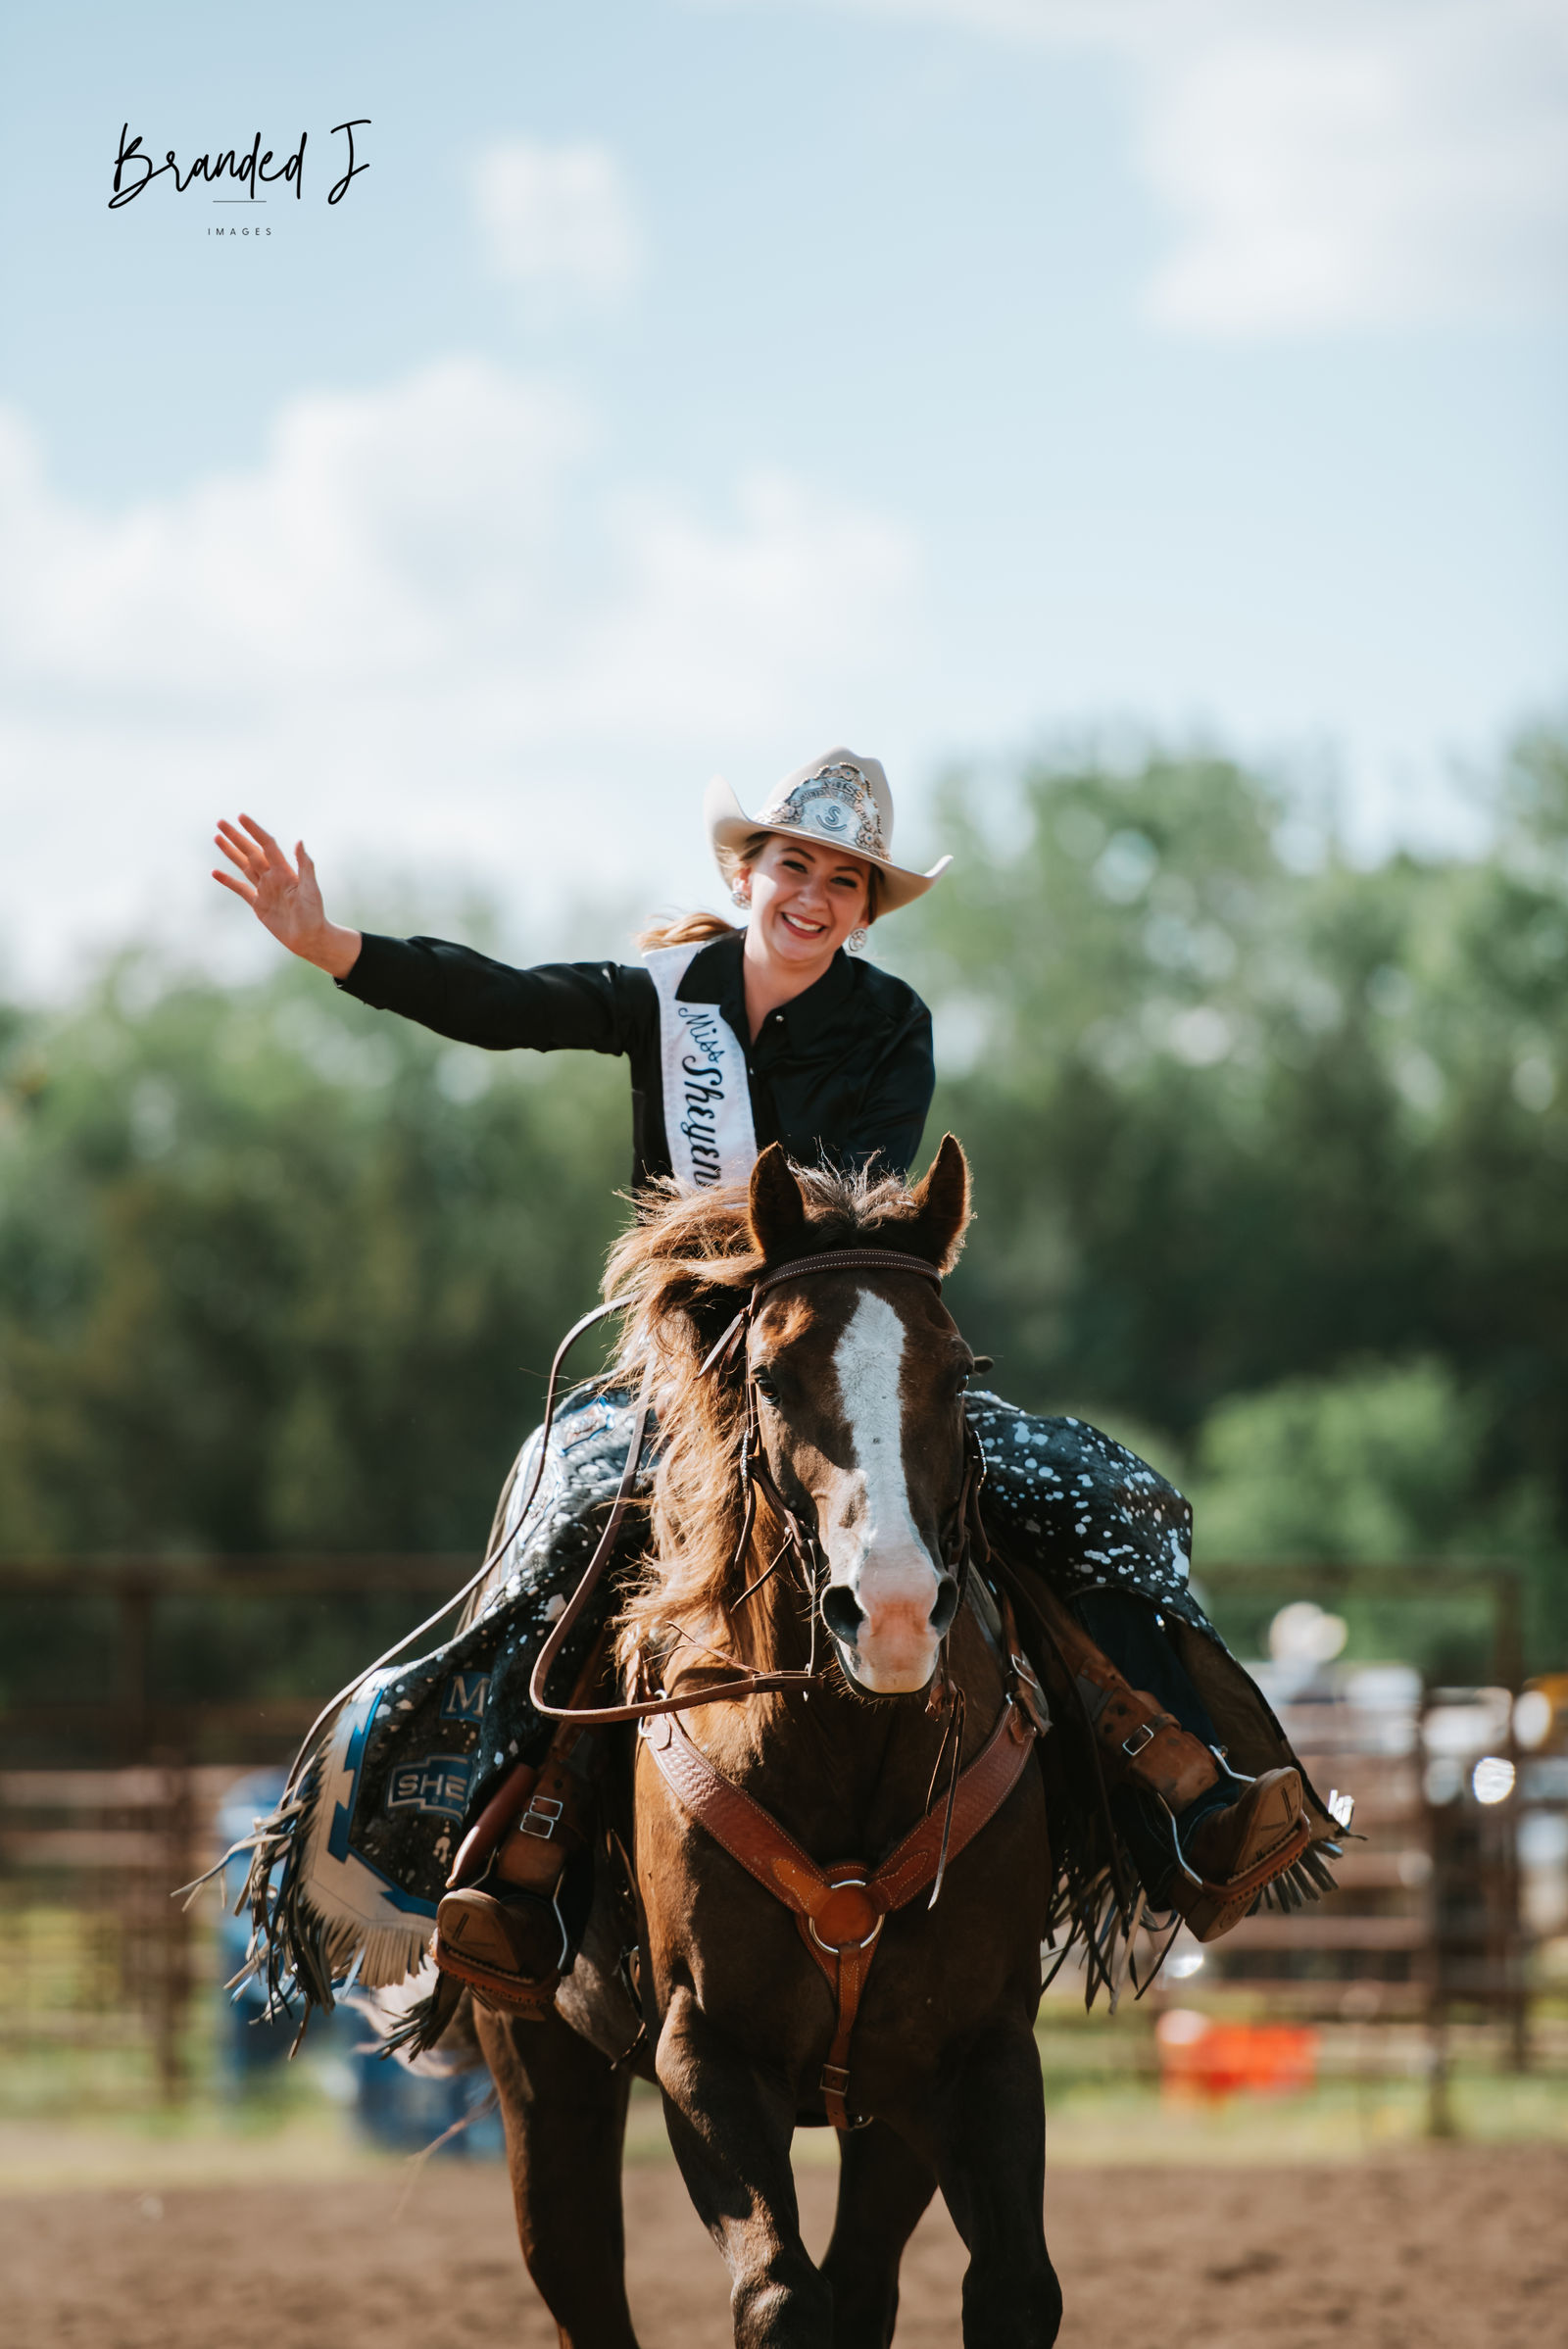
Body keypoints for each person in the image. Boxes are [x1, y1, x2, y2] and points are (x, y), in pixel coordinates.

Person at [216, 751, 1333, 2013]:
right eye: (794, 865)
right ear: (745, 873)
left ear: (864, 912)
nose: (813, 895)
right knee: (563, 1522)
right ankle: (509, 1852)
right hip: (689, 1365)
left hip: (841, 1349)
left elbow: (862, 1215)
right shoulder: (661, 996)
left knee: (1086, 1491)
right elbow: (501, 1000)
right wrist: (334, 947)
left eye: (844, 882)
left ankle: (1185, 1789)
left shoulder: (891, 1022)